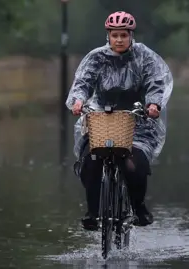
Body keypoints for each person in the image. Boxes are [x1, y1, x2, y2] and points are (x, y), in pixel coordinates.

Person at [65, 11, 173, 231]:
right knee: (91, 161)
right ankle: (93, 212)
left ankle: (138, 206)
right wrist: (78, 101)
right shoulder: (97, 57)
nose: (119, 40)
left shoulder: (144, 56)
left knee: (134, 165)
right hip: (101, 119)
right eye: (115, 35)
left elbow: (155, 80)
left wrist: (153, 104)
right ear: (108, 36)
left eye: (124, 35)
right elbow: (83, 81)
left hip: (138, 120)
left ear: (131, 35)